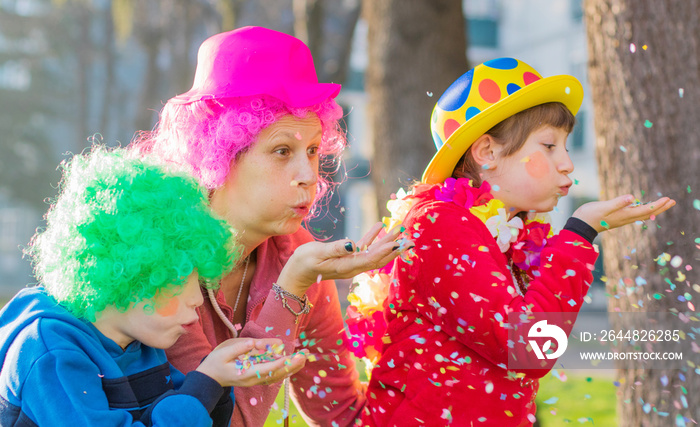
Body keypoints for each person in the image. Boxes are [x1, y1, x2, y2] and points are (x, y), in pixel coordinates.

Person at [351, 58, 676, 426]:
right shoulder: (440, 224)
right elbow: (527, 347)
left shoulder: (507, 234)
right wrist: (581, 232)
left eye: (566, 147)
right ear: (487, 153)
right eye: (550, 146)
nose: (567, 163)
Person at [130, 26, 409, 426]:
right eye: (282, 151)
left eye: (313, 150)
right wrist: (292, 287)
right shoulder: (163, 254)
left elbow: (341, 416)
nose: (309, 175)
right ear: (219, 155)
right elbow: (222, 419)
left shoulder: (299, 252)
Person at [0, 147, 302, 427]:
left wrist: (217, 380)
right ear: (127, 276)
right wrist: (207, 379)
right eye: (179, 281)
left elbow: (182, 411)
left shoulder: (141, 343)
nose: (197, 299)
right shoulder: (51, 354)